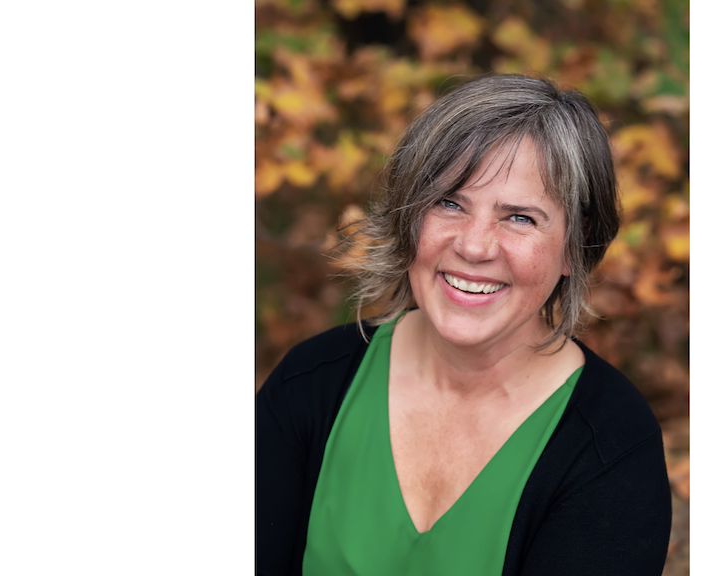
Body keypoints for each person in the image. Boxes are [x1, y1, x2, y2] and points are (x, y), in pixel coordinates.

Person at [256, 73, 671, 576]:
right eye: (449, 202)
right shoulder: (312, 382)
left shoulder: (610, 445)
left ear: (575, 246)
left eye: (520, 217)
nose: (474, 246)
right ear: (410, 215)